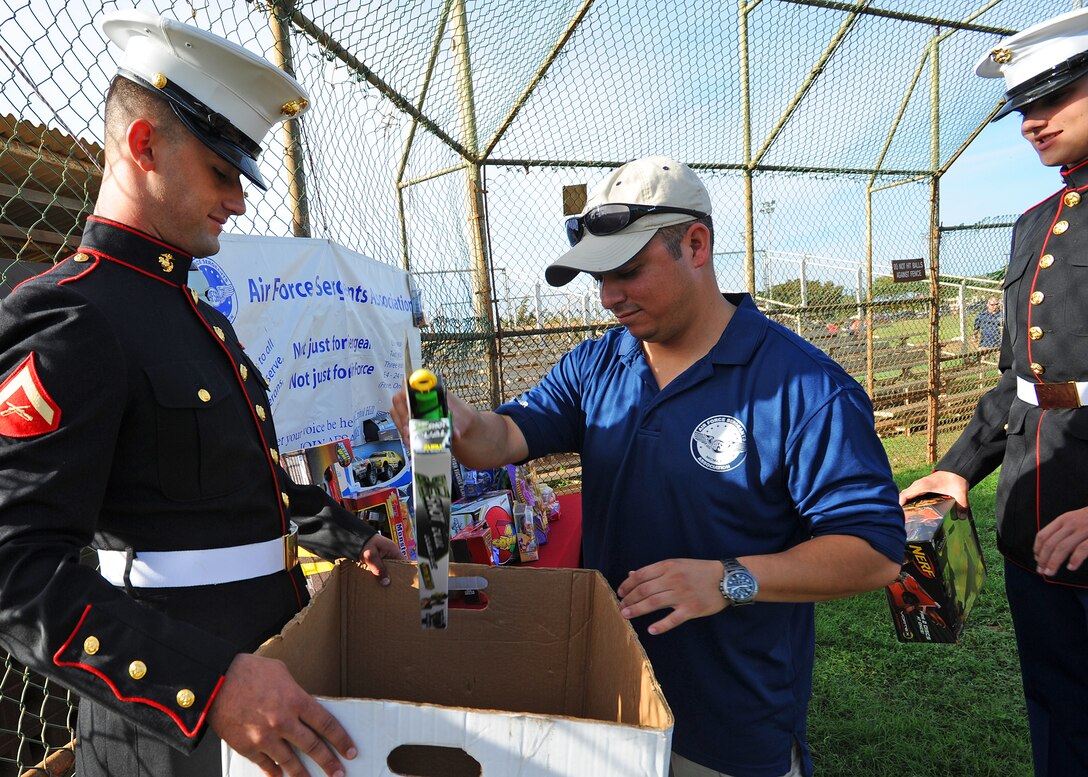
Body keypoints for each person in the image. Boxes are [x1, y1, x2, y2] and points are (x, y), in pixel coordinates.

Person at [392, 156, 906, 777]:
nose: (609, 298)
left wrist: (728, 579)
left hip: (727, 726)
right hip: (607, 701)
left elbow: (874, 551)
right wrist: (456, 422)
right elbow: (501, 437)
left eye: (629, 272)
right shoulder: (598, 365)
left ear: (696, 244)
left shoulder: (804, 388)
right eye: (599, 278)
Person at [0, 11, 402, 777]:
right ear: (144, 145)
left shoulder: (194, 314)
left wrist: (348, 537)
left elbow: (228, 490)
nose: (241, 200)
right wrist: (204, 685)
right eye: (222, 172)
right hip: (166, 734)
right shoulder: (74, 316)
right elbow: (15, 568)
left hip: (260, 689)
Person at [900, 9, 1088, 776]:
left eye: (1055, 96)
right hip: (1032, 520)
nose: (1031, 123)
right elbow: (1021, 381)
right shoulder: (1034, 223)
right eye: (1021, 109)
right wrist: (958, 465)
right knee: (1058, 710)